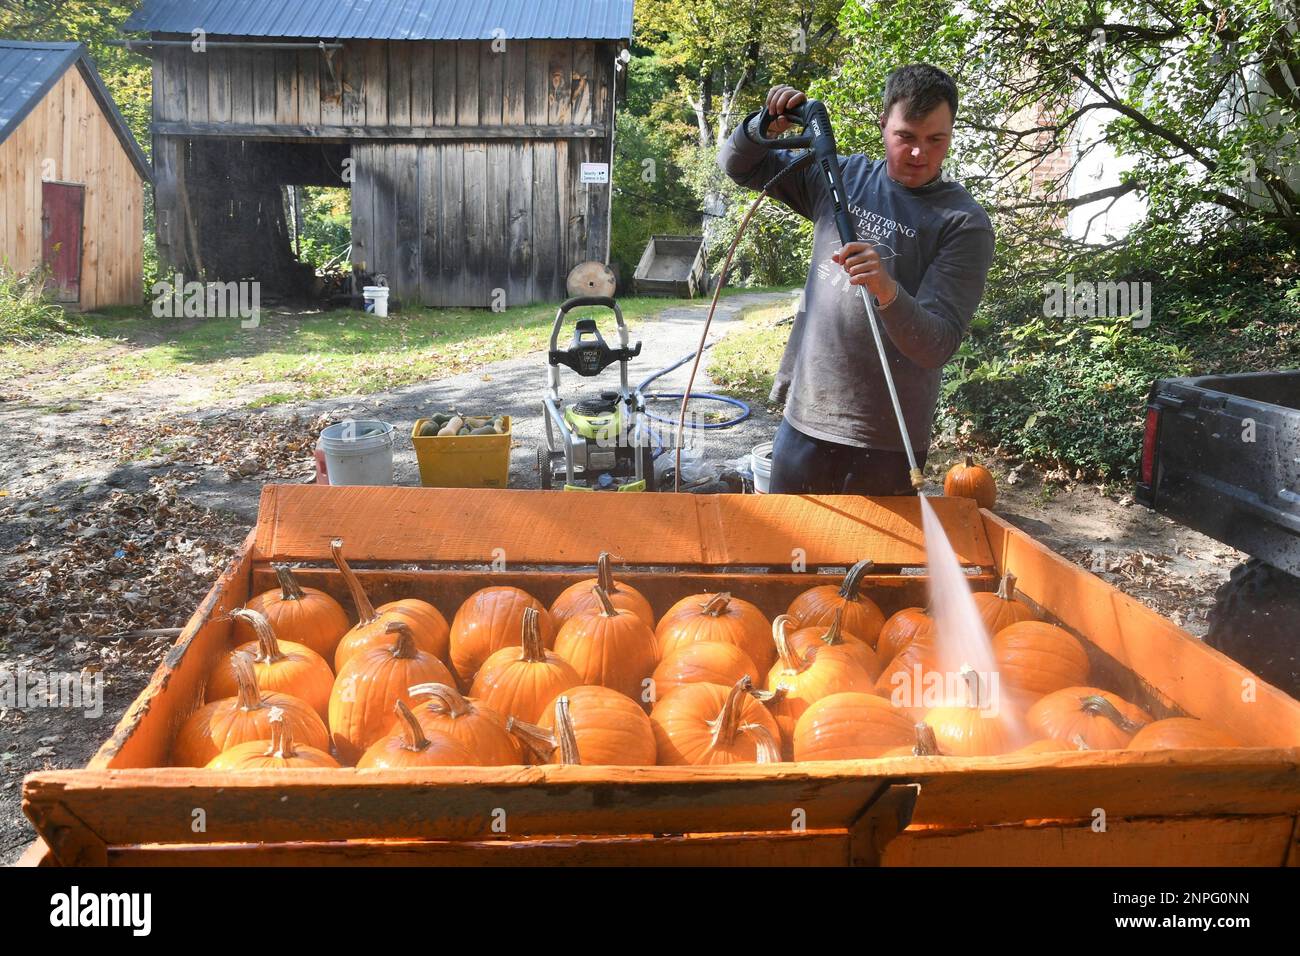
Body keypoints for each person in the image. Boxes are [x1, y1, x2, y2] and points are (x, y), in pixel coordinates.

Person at [717, 64, 994, 495]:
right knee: (785, 557)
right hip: (805, 420)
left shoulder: (962, 223)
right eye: (906, 136)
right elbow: (739, 166)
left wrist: (886, 289)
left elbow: (937, 344)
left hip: (888, 441)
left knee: (872, 564)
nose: (919, 154)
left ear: (951, 134)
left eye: (935, 140)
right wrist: (763, 124)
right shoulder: (839, 177)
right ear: (883, 124)